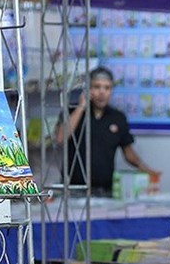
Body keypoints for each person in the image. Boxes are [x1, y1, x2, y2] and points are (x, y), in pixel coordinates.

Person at [54, 66, 159, 196]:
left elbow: (128, 152)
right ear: (88, 89)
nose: (102, 92)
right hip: (73, 189)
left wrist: (147, 170)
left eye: (107, 88)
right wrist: (81, 107)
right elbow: (60, 138)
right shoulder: (72, 112)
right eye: (96, 87)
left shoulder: (117, 117)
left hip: (105, 190)